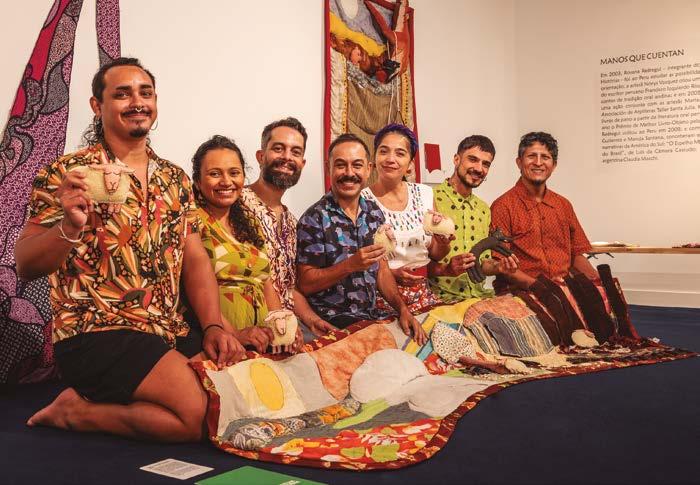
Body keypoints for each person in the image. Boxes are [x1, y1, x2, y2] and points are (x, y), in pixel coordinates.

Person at [15, 57, 243, 442]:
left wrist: (214, 326)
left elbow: (194, 258)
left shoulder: (174, 178)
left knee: (238, 400)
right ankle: (74, 412)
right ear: (97, 105)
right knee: (196, 417)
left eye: (145, 93)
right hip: (95, 332)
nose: (137, 102)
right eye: (122, 94)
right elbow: (25, 264)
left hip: (164, 330)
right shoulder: (69, 174)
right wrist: (69, 226)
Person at [296, 133, 426, 344]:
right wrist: (351, 265)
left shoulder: (374, 213)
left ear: (368, 169)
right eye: (341, 165)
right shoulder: (314, 218)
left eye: (357, 165)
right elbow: (305, 284)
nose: (349, 173)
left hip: (371, 317)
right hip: (331, 322)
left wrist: (402, 309)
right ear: (329, 168)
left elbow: (382, 270)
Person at [190, 135, 302, 353]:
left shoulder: (249, 222)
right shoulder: (191, 221)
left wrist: (283, 325)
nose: (226, 181)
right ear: (197, 181)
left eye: (234, 173)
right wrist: (233, 335)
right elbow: (192, 289)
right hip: (220, 343)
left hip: (261, 340)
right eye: (215, 174)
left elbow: (265, 282)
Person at [241, 117, 336, 338]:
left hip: (289, 326)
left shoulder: (292, 223)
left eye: (295, 152)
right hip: (251, 326)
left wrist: (312, 320)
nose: (287, 157)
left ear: (302, 163)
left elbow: (289, 288)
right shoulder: (236, 204)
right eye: (278, 148)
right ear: (261, 156)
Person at [490, 132, 596, 294]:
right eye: (531, 156)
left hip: (564, 288)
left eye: (545, 157)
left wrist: (597, 281)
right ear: (519, 162)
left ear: (554, 165)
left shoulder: (563, 205)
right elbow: (503, 265)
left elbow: (577, 254)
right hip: (521, 291)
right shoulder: (503, 206)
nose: (538, 163)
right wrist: (544, 289)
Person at [361, 123, 451, 313]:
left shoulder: (425, 194)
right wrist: (390, 274)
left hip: (424, 293)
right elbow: (357, 260)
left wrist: (443, 242)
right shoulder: (362, 200)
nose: (390, 159)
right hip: (381, 297)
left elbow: (436, 254)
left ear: (410, 165)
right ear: (374, 158)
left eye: (400, 153)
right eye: (383, 151)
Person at [429, 135, 519, 303]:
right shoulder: (429, 199)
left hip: (479, 298)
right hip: (440, 299)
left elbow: (483, 263)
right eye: (473, 159)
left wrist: (499, 267)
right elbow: (414, 263)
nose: (479, 169)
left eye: (486, 164)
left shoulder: (483, 209)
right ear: (456, 159)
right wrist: (446, 269)